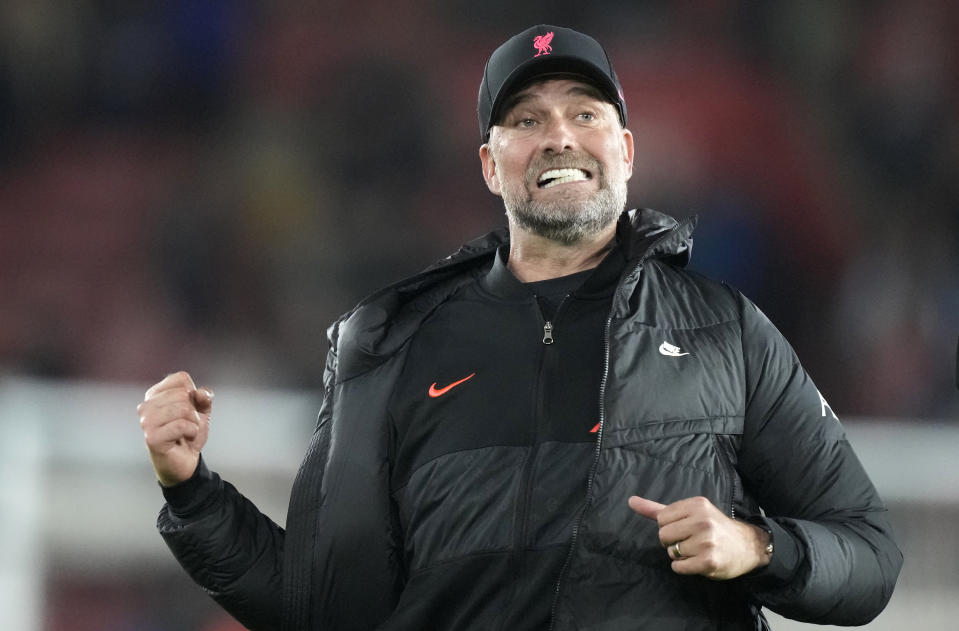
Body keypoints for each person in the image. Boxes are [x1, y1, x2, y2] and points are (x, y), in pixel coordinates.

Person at [138, 25, 902, 630]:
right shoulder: (389, 342)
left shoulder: (725, 332)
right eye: (526, 119)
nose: (559, 135)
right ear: (488, 165)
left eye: (584, 113)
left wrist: (757, 546)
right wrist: (192, 493)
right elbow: (324, 609)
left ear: (626, 151)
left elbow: (868, 554)